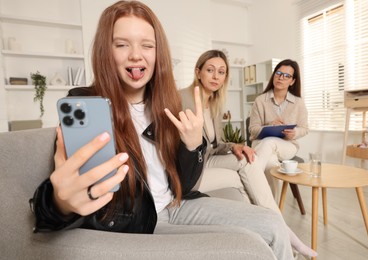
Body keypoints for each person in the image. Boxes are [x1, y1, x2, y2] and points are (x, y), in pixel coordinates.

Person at [29, 1, 293, 259]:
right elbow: (63, 198)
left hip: (179, 205)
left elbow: (186, 185)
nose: (136, 54)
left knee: (271, 223)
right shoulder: (86, 104)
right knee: (253, 246)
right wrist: (59, 203)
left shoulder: (166, 105)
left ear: (158, 53)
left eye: (147, 45)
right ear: (105, 51)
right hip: (141, 221)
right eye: (122, 44)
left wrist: (192, 146)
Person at [180, 50, 317, 258]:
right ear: (198, 72)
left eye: (221, 72)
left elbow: (213, 144)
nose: (216, 76)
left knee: (248, 161)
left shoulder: (214, 104)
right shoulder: (181, 98)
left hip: (213, 158)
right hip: (190, 169)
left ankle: (267, 235)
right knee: (250, 169)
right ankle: (285, 235)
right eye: (210, 70)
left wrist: (234, 145)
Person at [248, 59, 308, 199]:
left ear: (292, 81)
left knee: (270, 142)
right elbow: (253, 129)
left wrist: (295, 132)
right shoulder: (260, 100)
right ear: (274, 75)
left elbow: (304, 128)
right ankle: (271, 207)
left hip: (288, 145)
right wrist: (270, 125)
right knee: (270, 163)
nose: (281, 77)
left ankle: (250, 177)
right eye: (278, 73)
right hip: (261, 145)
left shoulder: (298, 103)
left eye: (286, 76)